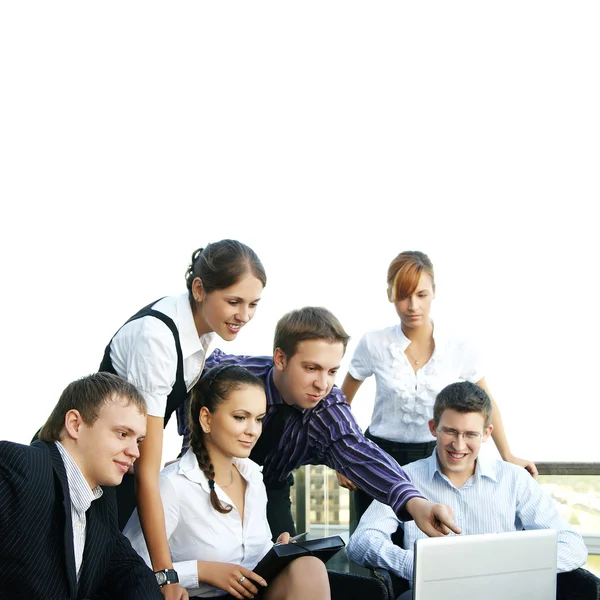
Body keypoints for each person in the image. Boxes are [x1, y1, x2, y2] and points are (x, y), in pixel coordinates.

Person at [181, 306, 461, 542]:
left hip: (271, 485)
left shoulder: (326, 408)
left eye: (332, 371)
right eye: (311, 368)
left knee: (288, 562)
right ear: (281, 358)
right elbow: (187, 378)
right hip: (206, 476)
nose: (322, 383)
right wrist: (184, 445)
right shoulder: (236, 375)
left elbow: (359, 452)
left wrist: (416, 502)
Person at [99, 239, 266, 600]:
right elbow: (148, 468)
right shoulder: (158, 338)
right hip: (90, 471)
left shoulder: (202, 330)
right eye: (234, 302)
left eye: (253, 304)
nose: (244, 315)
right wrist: (166, 576)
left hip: (121, 466)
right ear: (200, 289)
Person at [338, 250, 537, 522]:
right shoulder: (373, 343)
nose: (412, 306)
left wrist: (508, 455)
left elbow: (487, 403)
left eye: (421, 295)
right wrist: (345, 460)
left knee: (431, 544)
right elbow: (339, 404)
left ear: (434, 293)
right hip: (377, 458)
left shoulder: (458, 345)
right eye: (403, 295)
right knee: (371, 545)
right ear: (389, 295)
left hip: (435, 460)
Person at [346, 381, 588, 598]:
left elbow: (573, 546)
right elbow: (361, 542)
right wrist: (414, 563)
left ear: (486, 434)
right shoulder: (403, 479)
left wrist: (515, 566)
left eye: (470, 434)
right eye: (450, 431)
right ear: (433, 428)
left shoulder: (514, 480)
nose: (459, 445)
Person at [124, 364, 331, 600]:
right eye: (240, 417)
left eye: (259, 419)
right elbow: (129, 571)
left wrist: (277, 551)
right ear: (206, 419)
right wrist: (203, 571)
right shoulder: (173, 485)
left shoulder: (253, 477)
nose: (253, 430)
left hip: (252, 594)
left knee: (309, 566)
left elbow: (251, 556)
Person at [0, 372, 162, 600]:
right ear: (75, 424)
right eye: (122, 434)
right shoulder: (18, 465)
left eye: (138, 441)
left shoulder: (102, 500)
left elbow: (130, 571)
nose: (135, 452)